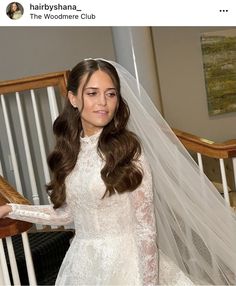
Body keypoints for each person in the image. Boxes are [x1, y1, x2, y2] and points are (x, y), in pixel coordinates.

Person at [0, 59, 236, 285]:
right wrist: (13, 209)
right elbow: (68, 215)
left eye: (110, 94)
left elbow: (145, 230)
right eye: (92, 93)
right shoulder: (69, 151)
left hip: (127, 264)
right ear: (73, 98)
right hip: (82, 263)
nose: (103, 102)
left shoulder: (129, 151)